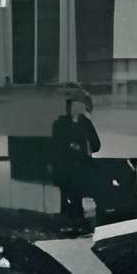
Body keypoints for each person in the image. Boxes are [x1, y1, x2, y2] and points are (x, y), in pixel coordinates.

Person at [51, 90, 101, 231]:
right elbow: (96, 146)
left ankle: (70, 224)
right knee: (75, 198)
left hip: (68, 169)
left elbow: (96, 145)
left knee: (69, 199)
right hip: (77, 169)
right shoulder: (81, 123)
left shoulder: (61, 124)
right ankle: (76, 224)